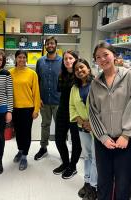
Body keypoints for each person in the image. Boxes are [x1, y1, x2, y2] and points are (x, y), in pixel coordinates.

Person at [89, 42, 131, 200]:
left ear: (114, 55)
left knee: (123, 182)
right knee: (104, 182)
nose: (102, 59)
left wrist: (127, 134)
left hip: (125, 141)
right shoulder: (95, 83)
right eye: (98, 57)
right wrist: (103, 137)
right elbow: (92, 112)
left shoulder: (128, 76)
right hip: (103, 142)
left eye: (105, 54)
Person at [70, 58, 97, 200]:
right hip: (82, 127)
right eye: (76, 69)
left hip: (97, 128)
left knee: (96, 158)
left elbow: (103, 107)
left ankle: (94, 186)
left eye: (82, 67)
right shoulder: (74, 88)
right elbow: (72, 107)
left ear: (88, 69)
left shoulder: (97, 84)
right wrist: (81, 121)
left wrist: (92, 124)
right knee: (87, 156)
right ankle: (87, 182)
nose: (79, 71)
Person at [9, 50, 40, 170]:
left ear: (26, 59)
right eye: (19, 57)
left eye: (23, 57)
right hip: (14, 108)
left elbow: (36, 92)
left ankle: (25, 156)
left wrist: (36, 109)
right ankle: (20, 150)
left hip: (28, 108)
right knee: (18, 132)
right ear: (16, 59)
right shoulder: (10, 73)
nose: (21, 59)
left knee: (26, 133)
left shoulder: (32, 74)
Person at [53, 50, 82, 179]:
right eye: (65, 59)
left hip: (76, 113)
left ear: (76, 59)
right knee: (59, 139)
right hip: (63, 111)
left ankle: (73, 166)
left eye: (71, 58)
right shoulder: (61, 75)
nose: (68, 61)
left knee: (76, 142)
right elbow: (60, 91)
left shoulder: (81, 75)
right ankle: (65, 162)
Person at [34, 36, 62, 160]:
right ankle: (43, 147)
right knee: (45, 124)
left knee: (60, 126)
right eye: (48, 44)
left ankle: (62, 150)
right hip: (44, 100)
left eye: (52, 43)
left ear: (56, 45)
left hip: (58, 101)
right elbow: (37, 81)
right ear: (45, 46)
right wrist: (38, 98)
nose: (50, 45)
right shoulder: (40, 61)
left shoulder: (62, 61)